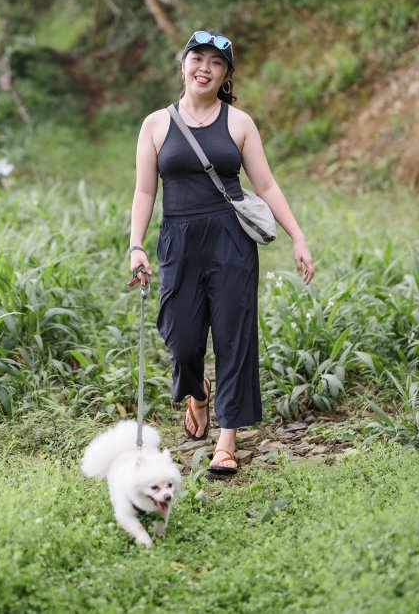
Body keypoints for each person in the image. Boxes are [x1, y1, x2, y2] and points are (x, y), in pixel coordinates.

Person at [128, 29, 314, 475]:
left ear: (226, 74)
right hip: (178, 241)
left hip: (231, 241)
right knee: (182, 337)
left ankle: (226, 442)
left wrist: (298, 236)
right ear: (184, 64)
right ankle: (197, 392)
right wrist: (136, 244)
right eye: (198, 58)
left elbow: (265, 184)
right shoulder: (156, 124)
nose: (205, 68)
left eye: (216, 62)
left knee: (234, 336)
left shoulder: (239, 123)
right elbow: (143, 190)